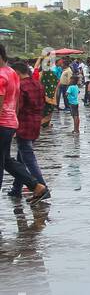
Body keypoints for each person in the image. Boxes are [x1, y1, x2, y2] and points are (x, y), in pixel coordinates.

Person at [0, 48, 50, 203]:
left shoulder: (3, 76)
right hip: (21, 123)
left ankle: (39, 185)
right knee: (10, 160)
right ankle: (29, 187)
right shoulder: (16, 75)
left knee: (23, 157)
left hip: (11, 124)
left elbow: (6, 104)